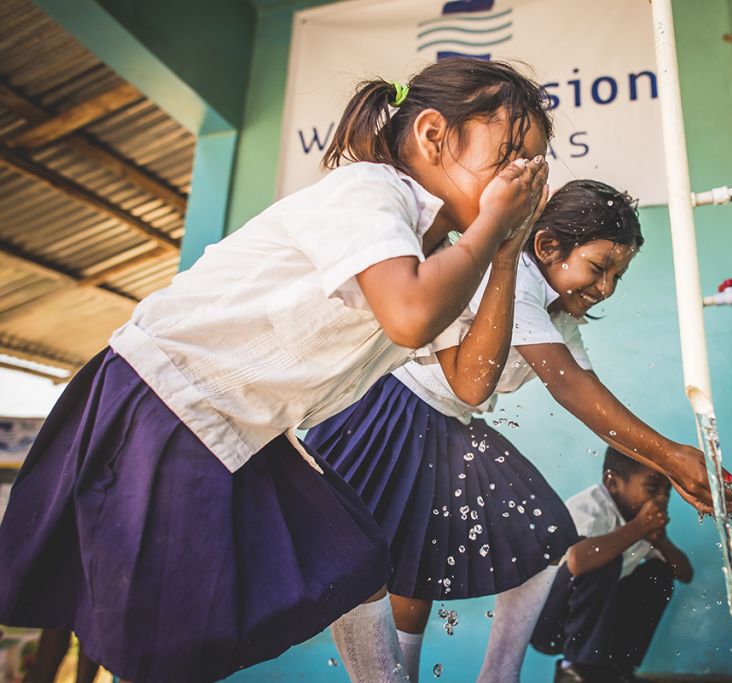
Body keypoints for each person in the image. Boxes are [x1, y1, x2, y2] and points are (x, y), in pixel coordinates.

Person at [0, 58, 552, 683]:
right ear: (431, 136)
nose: (522, 176)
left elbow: (471, 383)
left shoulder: (441, 253)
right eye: (510, 154)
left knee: (353, 559)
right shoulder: (371, 192)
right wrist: (491, 226)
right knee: (161, 639)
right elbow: (409, 314)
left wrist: (504, 253)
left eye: (531, 164)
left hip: (242, 427)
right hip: (167, 400)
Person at [306, 180, 732, 682]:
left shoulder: (560, 318)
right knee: (389, 575)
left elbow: (594, 403)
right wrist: (671, 455)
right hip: (392, 411)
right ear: (547, 246)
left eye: (617, 276)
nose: (606, 288)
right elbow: (570, 386)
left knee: (483, 558)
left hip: (445, 424)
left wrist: (672, 464)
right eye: (599, 268)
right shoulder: (514, 281)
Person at [531, 447, 695, 683]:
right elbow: (578, 561)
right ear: (613, 482)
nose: (661, 498)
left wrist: (661, 540)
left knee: (658, 573)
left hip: (595, 625)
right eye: (652, 488)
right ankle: (575, 670)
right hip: (549, 624)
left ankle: (618, 668)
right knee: (604, 558)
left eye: (667, 491)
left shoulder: (642, 523)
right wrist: (638, 528)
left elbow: (685, 574)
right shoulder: (590, 506)